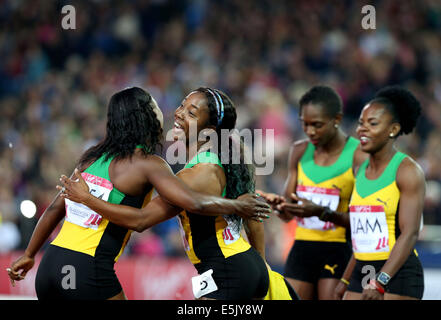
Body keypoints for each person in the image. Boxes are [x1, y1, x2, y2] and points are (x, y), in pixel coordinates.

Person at [6, 87, 271, 300]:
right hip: (89, 269)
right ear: (146, 117)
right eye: (158, 108)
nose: (172, 113)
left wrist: (30, 254)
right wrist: (236, 207)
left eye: (186, 111)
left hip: (49, 266)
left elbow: (54, 208)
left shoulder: (91, 159)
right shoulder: (150, 164)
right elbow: (156, 215)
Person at [281, 86, 425, 300]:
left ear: (393, 129)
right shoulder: (361, 171)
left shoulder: (407, 171)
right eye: (361, 123)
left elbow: (410, 233)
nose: (362, 130)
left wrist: (381, 281)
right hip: (361, 271)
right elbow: (360, 235)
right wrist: (346, 280)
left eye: (372, 124)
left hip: (397, 274)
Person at [258, 85, 367, 300]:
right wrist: (280, 206)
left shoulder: (358, 155)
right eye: (304, 124)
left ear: (336, 119)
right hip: (302, 247)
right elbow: (289, 213)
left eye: (317, 125)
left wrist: (321, 212)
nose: (310, 131)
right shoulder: (299, 151)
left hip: (339, 248)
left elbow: (363, 219)